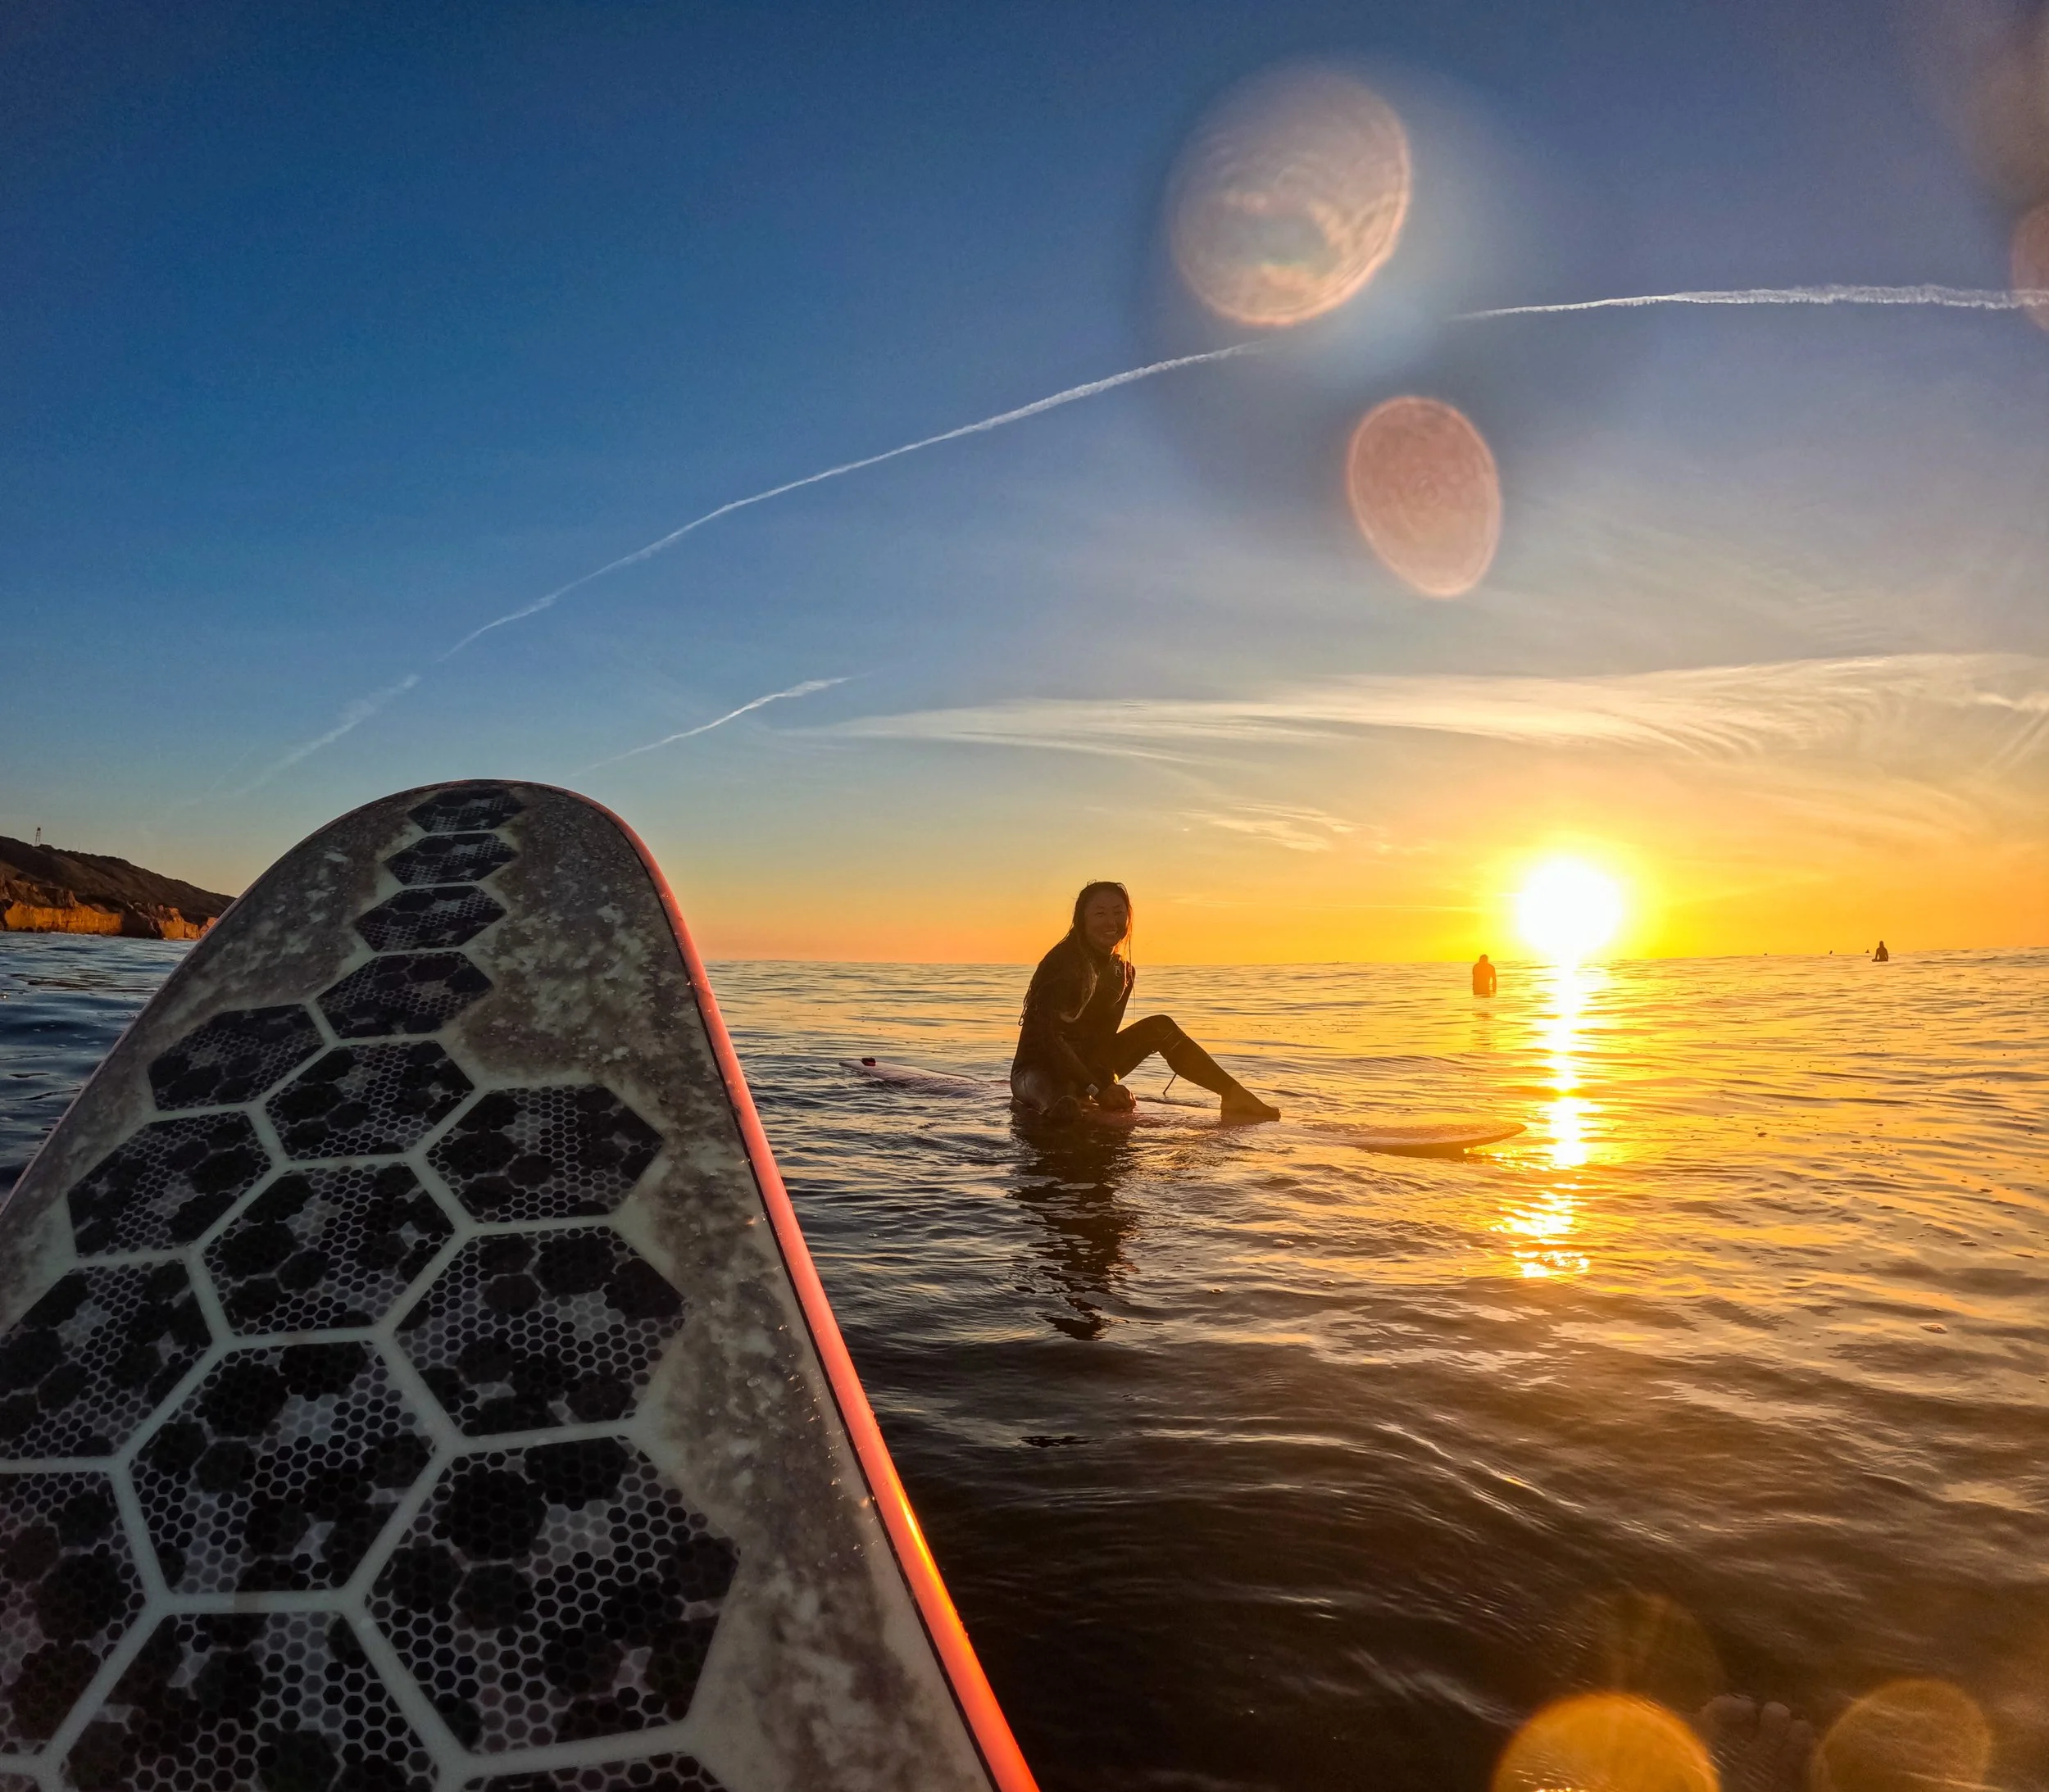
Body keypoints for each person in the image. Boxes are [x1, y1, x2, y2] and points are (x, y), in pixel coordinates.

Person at [1011, 881, 1280, 1126]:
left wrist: (1106, 1082)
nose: (1111, 922)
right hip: (1037, 1071)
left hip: (1086, 1069)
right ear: (1082, 920)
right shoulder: (1062, 963)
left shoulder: (1123, 973)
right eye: (1100, 913)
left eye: (1118, 912)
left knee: (1161, 1027)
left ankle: (1232, 1093)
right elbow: (1048, 1039)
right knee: (1065, 1107)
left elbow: (1104, 1041)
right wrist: (1097, 1089)